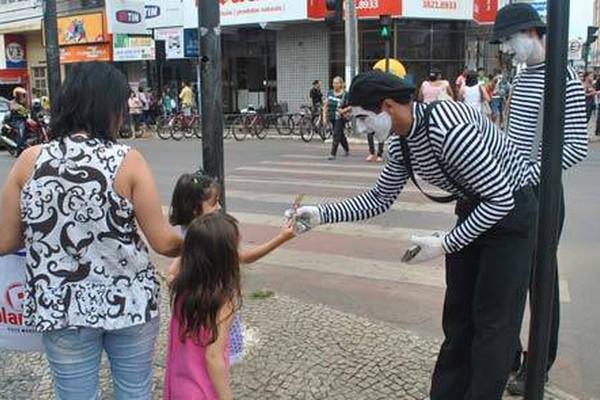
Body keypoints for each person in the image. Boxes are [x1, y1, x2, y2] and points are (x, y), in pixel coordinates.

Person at [287, 70, 538, 399]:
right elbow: (378, 199)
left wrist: (447, 243)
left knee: (492, 322)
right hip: (473, 206)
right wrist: (321, 214)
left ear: (388, 106)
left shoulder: (450, 129)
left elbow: (500, 199)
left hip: (511, 213)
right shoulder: (401, 144)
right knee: (459, 319)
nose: (361, 129)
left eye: (363, 118)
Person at [0, 62, 182, 399]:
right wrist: (200, 236)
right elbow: (162, 241)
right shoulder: (128, 160)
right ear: (108, 109)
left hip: (61, 307)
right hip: (129, 303)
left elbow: (6, 240)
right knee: (134, 392)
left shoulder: (29, 160)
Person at [491, 3, 588, 395]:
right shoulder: (525, 75)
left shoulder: (561, 76)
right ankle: (508, 356)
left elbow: (576, 147)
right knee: (510, 277)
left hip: (542, 195)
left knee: (540, 280)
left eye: (511, 41)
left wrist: (526, 175)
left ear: (532, 33)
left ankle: (538, 366)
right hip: (513, 191)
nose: (508, 50)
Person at [168, 172, 296, 364]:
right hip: (214, 312)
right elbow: (244, 258)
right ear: (196, 210)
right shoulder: (209, 239)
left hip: (195, 315)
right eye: (214, 203)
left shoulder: (189, 233)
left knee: (199, 360)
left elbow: (172, 273)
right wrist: (281, 238)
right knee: (215, 358)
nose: (219, 207)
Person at [164, 213, 240, 400]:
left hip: (178, 386)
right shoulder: (223, 302)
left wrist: (190, 248)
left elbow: (170, 274)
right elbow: (213, 358)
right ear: (226, 258)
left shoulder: (181, 288)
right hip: (202, 391)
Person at [324, 77, 350, 160]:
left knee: (336, 134)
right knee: (340, 134)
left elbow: (352, 105)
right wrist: (324, 117)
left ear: (341, 84)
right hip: (331, 116)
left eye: (337, 83)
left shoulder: (345, 94)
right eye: (334, 83)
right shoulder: (330, 93)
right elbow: (325, 105)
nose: (335, 85)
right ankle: (346, 148)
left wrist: (344, 110)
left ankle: (333, 153)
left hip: (340, 117)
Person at [8, 87, 29, 154]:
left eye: (23, 94)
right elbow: (13, 109)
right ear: (16, 95)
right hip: (17, 120)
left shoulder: (23, 102)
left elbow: (27, 110)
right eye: (20, 94)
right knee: (21, 131)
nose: (22, 96)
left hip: (24, 119)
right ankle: (18, 149)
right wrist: (17, 109)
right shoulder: (12, 102)